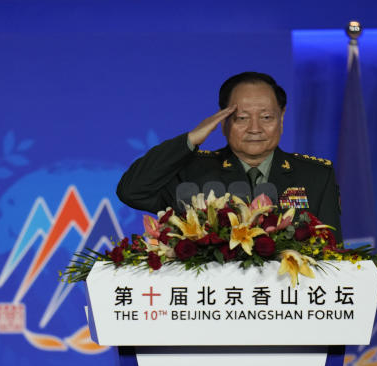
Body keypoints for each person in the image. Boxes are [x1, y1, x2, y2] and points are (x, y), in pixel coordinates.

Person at [117, 71, 342, 240]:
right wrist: (191, 139)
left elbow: (332, 252)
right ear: (223, 120)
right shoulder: (191, 173)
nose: (255, 129)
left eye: (266, 117)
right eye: (242, 118)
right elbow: (132, 191)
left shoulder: (315, 176)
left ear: (281, 118)